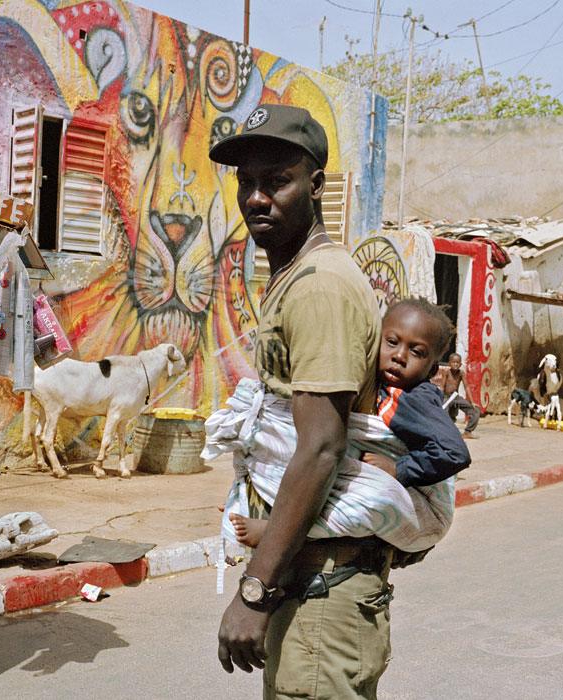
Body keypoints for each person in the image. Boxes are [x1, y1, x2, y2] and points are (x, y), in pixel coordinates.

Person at [209, 103, 399, 699]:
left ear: (316, 185)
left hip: (321, 590)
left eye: (277, 181)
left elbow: (320, 448)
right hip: (311, 579)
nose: (257, 198)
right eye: (247, 182)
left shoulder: (319, 289)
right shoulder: (299, 276)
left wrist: (255, 590)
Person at [230, 297, 472, 548]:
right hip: (410, 505)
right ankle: (258, 497)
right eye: (391, 342)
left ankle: (280, 532)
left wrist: (399, 468)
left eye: (416, 352)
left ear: (432, 370)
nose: (399, 356)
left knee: (369, 502)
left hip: (430, 517)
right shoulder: (381, 387)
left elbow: (454, 452)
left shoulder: (415, 399)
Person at [438, 352, 481, 438]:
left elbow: (467, 387)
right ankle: (443, 433)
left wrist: (472, 402)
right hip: (446, 397)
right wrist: (440, 400)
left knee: (475, 411)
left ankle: (468, 432)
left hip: (455, 397)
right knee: (444, 414)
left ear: (460, 364)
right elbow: (442, 387)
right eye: (453, 362)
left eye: (457, 363)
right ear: (449, 363)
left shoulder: (461, 373)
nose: (455, 364)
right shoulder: (446, 372)